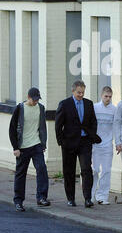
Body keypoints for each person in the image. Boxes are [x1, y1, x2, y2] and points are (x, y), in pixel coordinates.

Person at [55, 80, 101, 208]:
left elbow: (93, 121)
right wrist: (61, 141)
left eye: (82, 92)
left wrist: (91, 135)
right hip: (69, 142)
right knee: (69, 171)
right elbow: (58, 124)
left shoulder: (88, 104)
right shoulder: (65, 104)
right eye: (78, 92)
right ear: (73, 91)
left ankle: (87, 198)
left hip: (85, 141)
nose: (81, 95)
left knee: (86, 169)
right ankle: (71, 198)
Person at [9, 87, 50, 212]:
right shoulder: (20, 108)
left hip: (36, 144)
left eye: (38, 99)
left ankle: (42, 197)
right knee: (21, 174)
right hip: (22, 147)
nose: (36, 102)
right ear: (28, 97)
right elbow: (12, 129)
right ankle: (18, 201)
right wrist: (15, 147)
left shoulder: (40, 108)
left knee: (42, 169)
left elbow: (42, 127)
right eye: (34, 100)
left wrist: (43, 144)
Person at [92, 86, 116, 205]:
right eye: (106, 96)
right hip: (95, 145)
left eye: (110, 97)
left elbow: (116, 127)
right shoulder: (95, 108)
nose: (108, 99)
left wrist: (118, 143)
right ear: (101, 96)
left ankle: (102, 196)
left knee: (106, 170)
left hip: (107, 145)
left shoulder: (114, 110)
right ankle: (91, 195)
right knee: (94, 170)